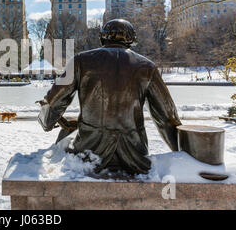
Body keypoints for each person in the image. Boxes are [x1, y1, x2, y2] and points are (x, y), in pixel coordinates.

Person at [37, 19, 182, 175]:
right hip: (134, 156)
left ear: (102, 37)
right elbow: (167, 116)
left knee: (64, 137)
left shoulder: (80, 61)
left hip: (90, 152)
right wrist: (181, 152)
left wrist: (47, 122)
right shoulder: (147, 67)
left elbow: (53, 101)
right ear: (131, 40)